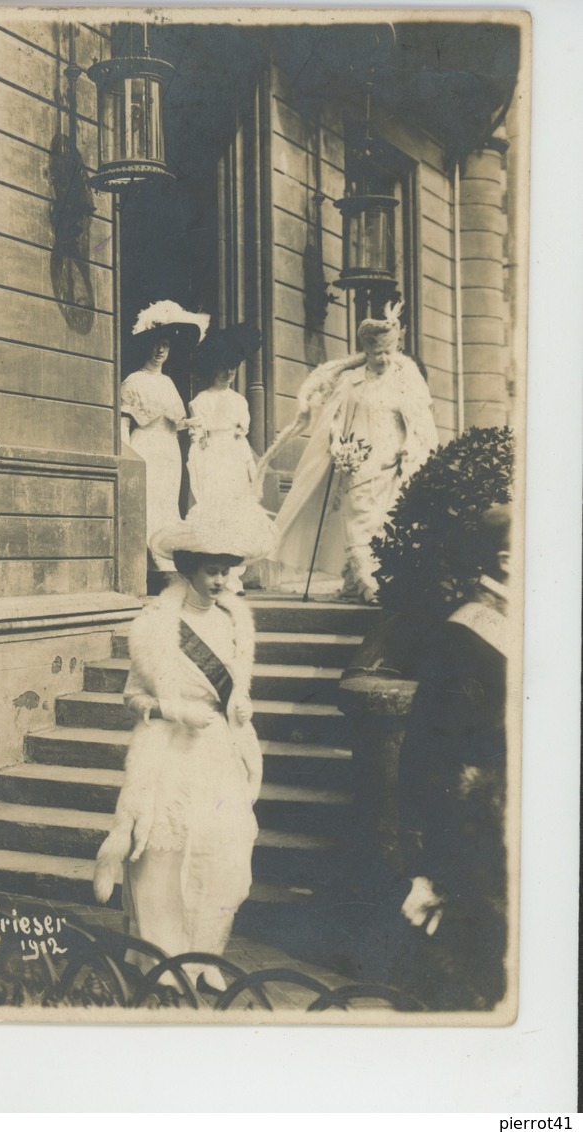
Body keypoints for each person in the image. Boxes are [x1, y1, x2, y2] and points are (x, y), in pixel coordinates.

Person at [92, 500, 276, 994]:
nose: (221, 582)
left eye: (226, 572)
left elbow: (237, 687)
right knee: (164, 852)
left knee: (223, 851)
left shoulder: (237, 622)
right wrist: (173, 710)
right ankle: (165, 955)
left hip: (218, 750)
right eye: (212, 572)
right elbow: (132, 697)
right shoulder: (156, 625)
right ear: (190, 570)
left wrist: (241, 708)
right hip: (170, 749)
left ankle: (206, 955)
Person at [397, 503, 512, 1010]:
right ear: (507, 559)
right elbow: (430, 753)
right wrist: (431, 862)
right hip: (475, 836)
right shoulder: (464, 636)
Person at [257, 302, 438, 602]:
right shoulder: (351, 382)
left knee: (383, 524)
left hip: (393, 464)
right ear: (365, 352)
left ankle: (356, 581)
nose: (382, 358)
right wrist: (339, 445)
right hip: (358, 462)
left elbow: (418, 423)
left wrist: (408, 450)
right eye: (376, 352)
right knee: (358, 521)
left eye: (387, 352)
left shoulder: (404, 382)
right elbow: (335, 420)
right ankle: (370, 586)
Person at [120, 301, 210, 573]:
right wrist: (127, 455)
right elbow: (123, 421)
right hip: (145, 447)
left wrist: (192, 423)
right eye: (156, 344)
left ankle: (167, 556)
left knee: (167, 502)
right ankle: (151, 561)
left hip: (169, 451)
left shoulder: (168, 383)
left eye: (166, 345)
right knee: (148, 501)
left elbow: (176, 422)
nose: (160, 350)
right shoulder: (132, 381)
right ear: (146, 346)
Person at [186, 323, 262, 592]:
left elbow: (241, 439)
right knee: (214, 512)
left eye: (233, 366)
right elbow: (198, 441)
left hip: (234, 460)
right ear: (213, 368)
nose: (229, 372)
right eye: (224, 366)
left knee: (236, 513)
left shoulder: (240, 401)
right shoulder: (200, 401)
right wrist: (199, 467)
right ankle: (214, 572)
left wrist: (250, 469)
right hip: (212, 460)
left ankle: (234, 573)